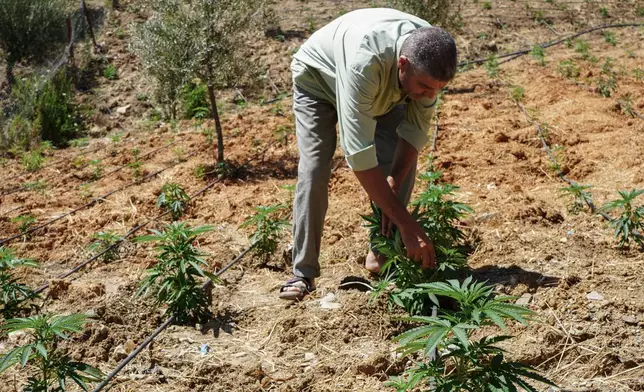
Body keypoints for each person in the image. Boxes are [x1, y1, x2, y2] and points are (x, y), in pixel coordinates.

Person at [279, 7, 458, 300]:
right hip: (319, 80)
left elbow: (414, 133)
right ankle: (303, 273)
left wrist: (395, 181)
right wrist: (407, 223)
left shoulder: (428, 54)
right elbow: (359, 156)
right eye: (425, 87)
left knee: (399, 167)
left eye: (438, 90)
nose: (430, 96)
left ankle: (382, 257)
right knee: (315, 169)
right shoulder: (367, 62)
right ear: (403, 64)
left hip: (387, 89)